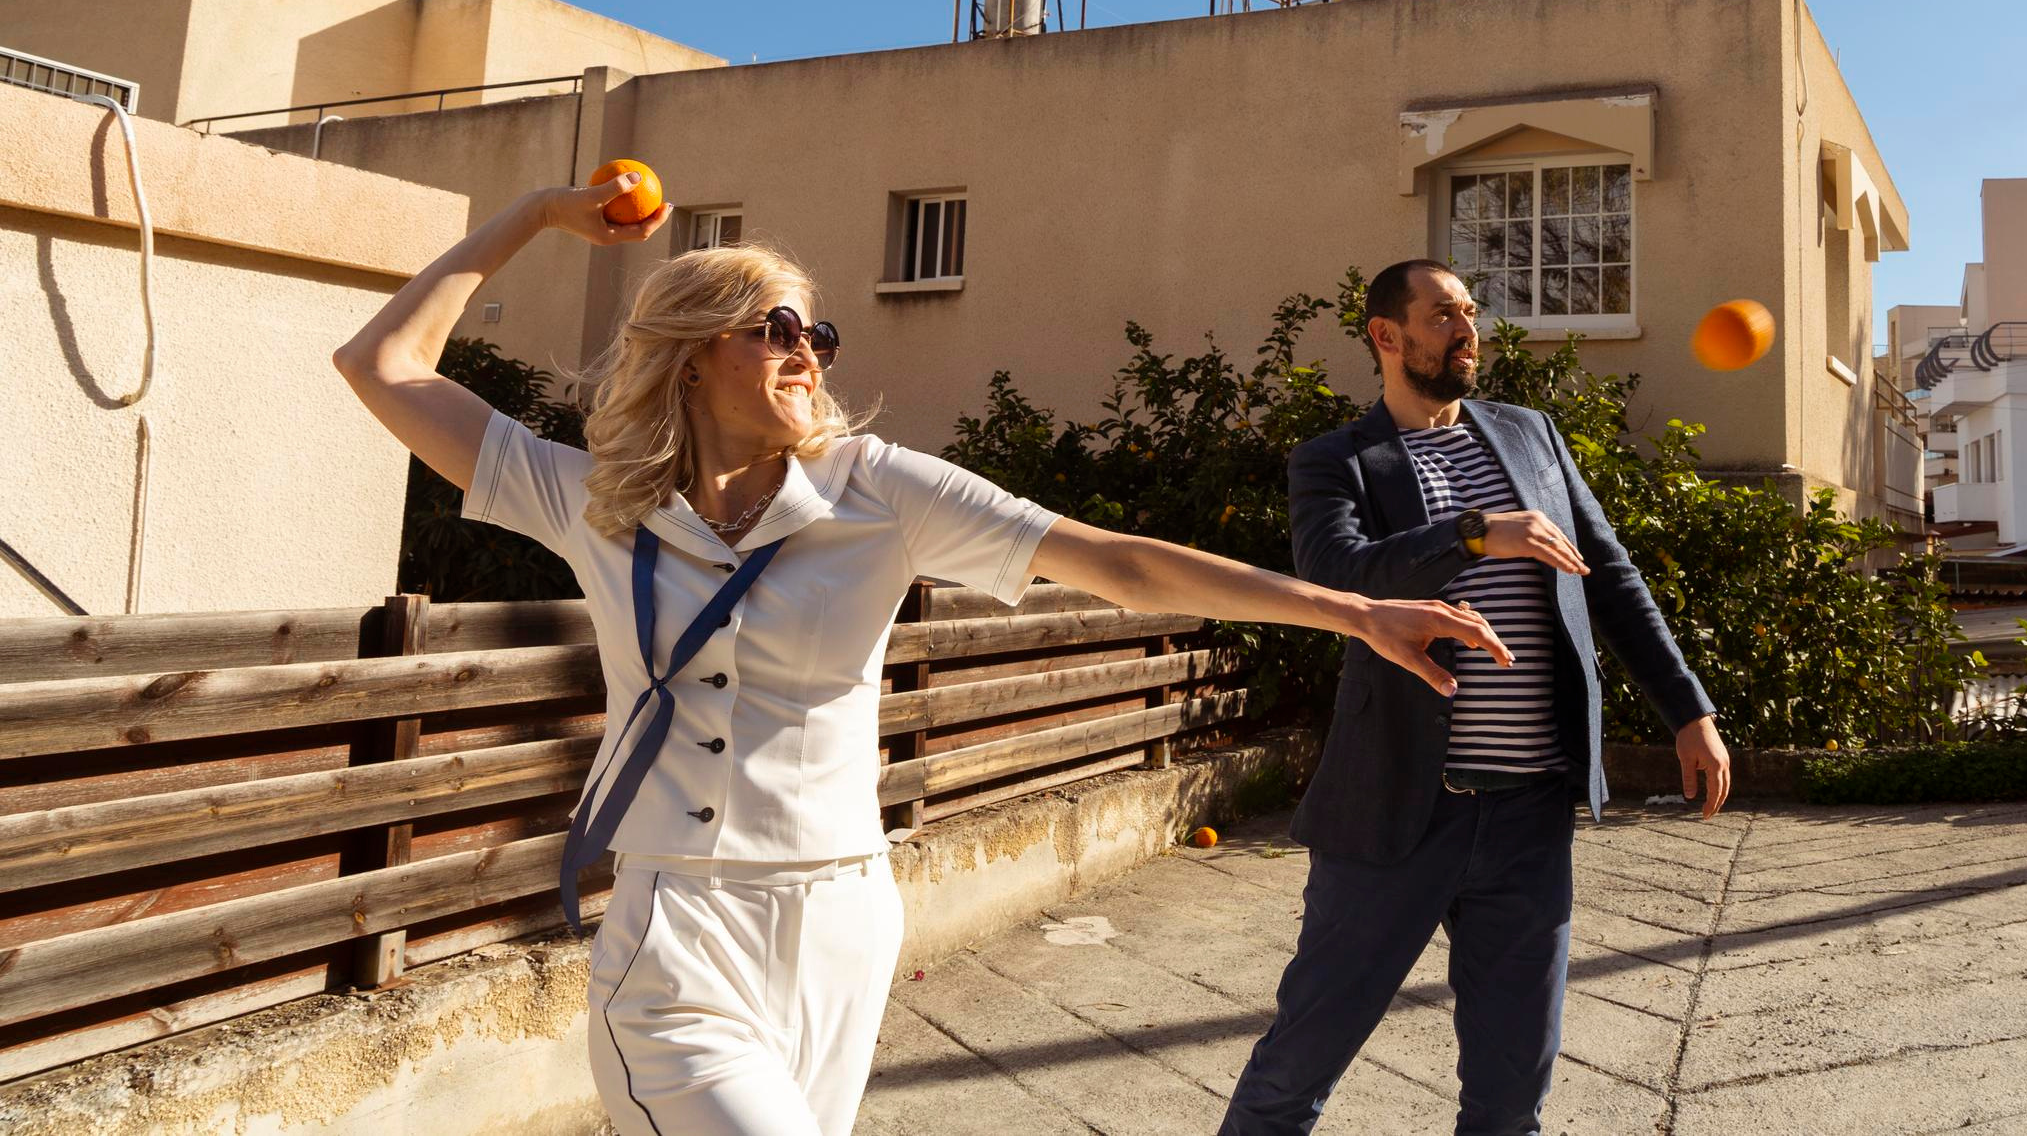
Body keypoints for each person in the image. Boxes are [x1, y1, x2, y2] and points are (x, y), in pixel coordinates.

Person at [330, 177, 1511, 1136]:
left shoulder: (877, 491)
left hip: (844, 916)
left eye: (819, 333)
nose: (810, 354)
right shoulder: (595, 499)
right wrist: (536, 216)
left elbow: (1113, 560)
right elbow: (381, 363)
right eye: (775, 329)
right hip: (679, 930)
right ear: (690, 356)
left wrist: (1352, 613)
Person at [1218, 260, 1731, 1136]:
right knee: (1295, 1069)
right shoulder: (1336, 460)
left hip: (1530, 812)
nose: (1467, 328)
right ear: (1388, 336)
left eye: (1469, 312)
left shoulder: (1531, 435)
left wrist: (1689, 709)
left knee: (1510, 1097)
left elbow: (1610, 574)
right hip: (1395, 811)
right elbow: (1335, 573)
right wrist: (1471, 534)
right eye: (1442, 314)